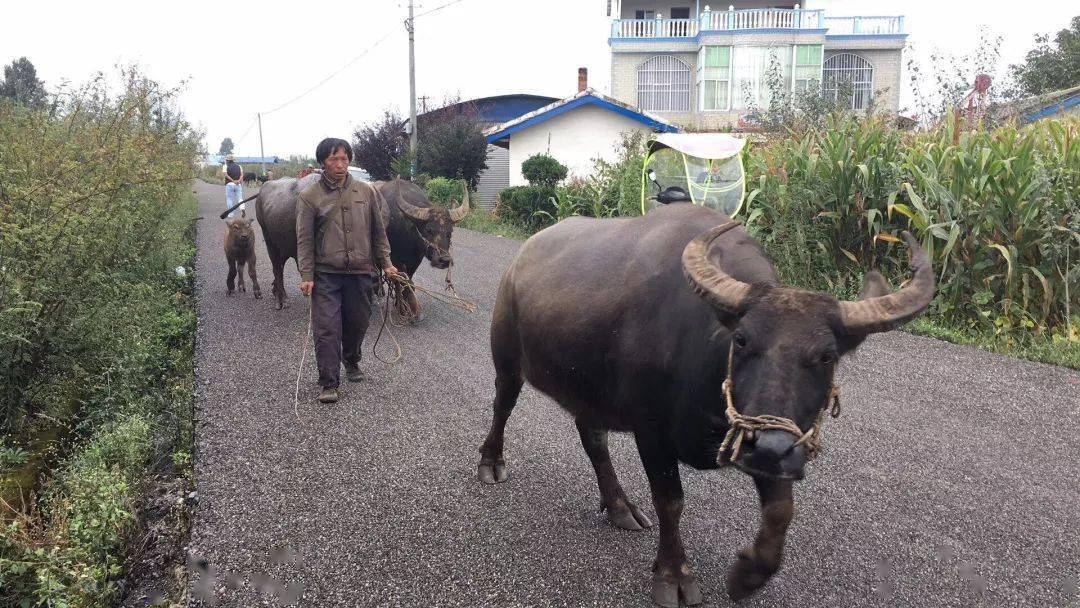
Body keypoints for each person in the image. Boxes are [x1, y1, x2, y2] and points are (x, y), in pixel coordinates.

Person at [296, 138, 401, 404]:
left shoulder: (366, 192)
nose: (340, 164)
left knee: (358, 323)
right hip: (326, 274)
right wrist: (306, 276)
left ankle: (352, 361)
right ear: (323, 163)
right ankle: (329, 381)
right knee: (327, 328)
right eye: (334, 159)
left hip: (360, 272)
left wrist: (386, 263)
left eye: (344, 159)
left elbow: (378, 232)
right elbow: (304, 240)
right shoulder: (310, 197)